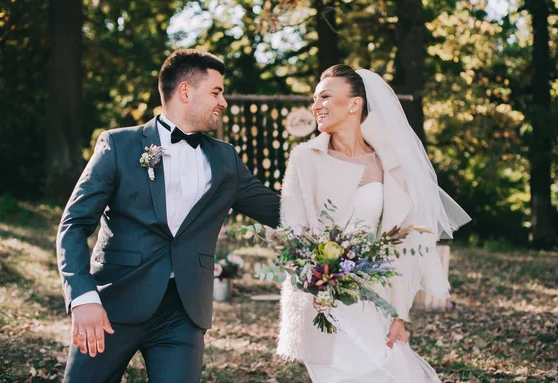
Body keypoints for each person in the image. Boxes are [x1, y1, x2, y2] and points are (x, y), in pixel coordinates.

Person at [56, 49, 280, 382]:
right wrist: (82, 298)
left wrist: (348, 195)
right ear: (186, 91)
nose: (224, 103)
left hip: (184, 312)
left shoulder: (225, 159)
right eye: (216, 92)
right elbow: (74, 225)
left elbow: (278, 210)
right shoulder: (119, 145)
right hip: (111, 305)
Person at [277, 65, 471, 382]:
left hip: (374, 300)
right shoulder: (305, 159)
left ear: (355, 103)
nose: (316, 106)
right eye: (314, 98)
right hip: (319, 303)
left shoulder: (387, 162)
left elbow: (406, 241)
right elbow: (293, 234)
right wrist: (315, 278)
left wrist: (398, 312)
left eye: (325, 96)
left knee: (388, 372)